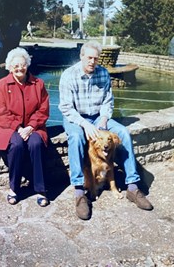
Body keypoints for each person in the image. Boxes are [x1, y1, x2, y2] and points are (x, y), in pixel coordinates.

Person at [58, 40, 153, 220]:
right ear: (81, 57)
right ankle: (79, 192)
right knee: (77, 138)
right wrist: (85, 125)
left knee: (123, 133)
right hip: (76, 117)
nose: (92, 61)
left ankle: (132, 186)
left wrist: (102, 121)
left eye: (96, 58)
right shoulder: (68, 75)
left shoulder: (103, 73)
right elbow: (66, 108)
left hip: (98, 117)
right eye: (89, 58)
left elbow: (108, 102)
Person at [0, 47, 50, 206]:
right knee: (16, 145)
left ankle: (40, 189)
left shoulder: (38, 84)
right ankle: (14, 188)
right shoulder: (2, 85)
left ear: (27, 65)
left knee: (35, 143)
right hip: (8, 127)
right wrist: (18, 128)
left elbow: (43, 109)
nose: (19, 68)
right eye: (15, 66)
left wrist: (30, 126)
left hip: (33, 125)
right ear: (9, 67)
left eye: (22, 65)